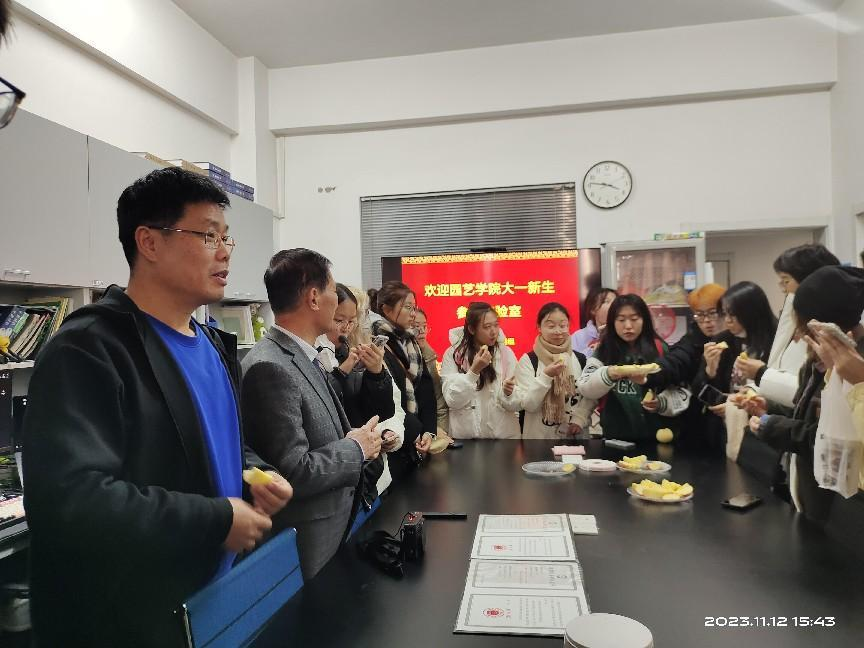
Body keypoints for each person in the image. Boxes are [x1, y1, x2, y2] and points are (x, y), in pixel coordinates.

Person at [22, 168, 292, 647]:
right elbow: (71, 501)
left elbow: (217, 442)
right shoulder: (88, 348)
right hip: (131, 622)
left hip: (213, 604)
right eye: (208, 236)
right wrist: (217, 519)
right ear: (148, 242)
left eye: (226, 237)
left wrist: (257, 475)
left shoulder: (212, 344)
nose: (225, 251)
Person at [241, 249, 382, 580]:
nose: (337, 300)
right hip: (310, 538)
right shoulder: (270, 366)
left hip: (334, 524)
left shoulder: (302, 355)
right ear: (314, 297)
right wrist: (356, 448)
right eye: (333, 290)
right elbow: (293, 470)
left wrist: (359, 439)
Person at [747, 266, 864, 522]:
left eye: (803, 325)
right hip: (809, 491)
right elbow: (806, 414)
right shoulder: (816, 361)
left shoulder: (854, 366)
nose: (799, 334)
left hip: (842, 509)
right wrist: (770, 409)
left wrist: (774, 427)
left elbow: (836, 441)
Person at [317, 283, 401, 511]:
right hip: (336, 473)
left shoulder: (349, 350)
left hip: (366, 470)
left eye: (352, 320)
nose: (346, 328)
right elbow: (325, 406)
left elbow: (382, 411)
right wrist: (343, 371)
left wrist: (376, 373)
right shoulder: (316, 355)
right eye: (339, 320)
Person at [734, 244, 838, 408]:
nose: (783, 289)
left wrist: (761, 374)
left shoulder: (829, 332)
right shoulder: (792, 319)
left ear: (811, 282)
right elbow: (780, 372)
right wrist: (754, 392)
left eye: (786, 280)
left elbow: (812, 395)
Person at [578, 294, 689, 441]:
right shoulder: (604, 350)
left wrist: (662, 403)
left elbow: (682, 391)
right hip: (616, 439)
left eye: (634, 319)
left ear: (644, 320)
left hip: (658, 438)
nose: (628, 326)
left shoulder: (659, 348)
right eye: (621, 320)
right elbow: (585, 388)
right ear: (612, 322)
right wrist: (608, 374)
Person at [694, 281, 777, 459]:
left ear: (751, 312)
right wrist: (709, 370)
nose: (727, 320)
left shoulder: (775, 342)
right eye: (724, 314)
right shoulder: (722, 341)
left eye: (733, 314)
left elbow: (779, 394)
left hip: (761, 432)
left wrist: (737, 407)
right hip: (723, 432)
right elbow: (698, 390)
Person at [645, 283, 725, 451]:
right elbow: (675, 360)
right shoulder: (692, 339)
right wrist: (650, 373)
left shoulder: (737, 339)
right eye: (700, 315)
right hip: (698, 426)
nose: (707, 321)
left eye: (712, 313)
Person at [369, 282, 435, 478]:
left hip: (416, 436)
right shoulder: (376, 342)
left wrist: (428, 431)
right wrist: (415, 431)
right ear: (386, 309)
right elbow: (387, 397)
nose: (413, 314)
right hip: (394, 439)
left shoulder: (410, 340)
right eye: (407, 307)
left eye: (414, 307)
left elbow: (426, 388)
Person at [502, 302, 595, 438]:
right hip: (539, 440)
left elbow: (589, 395)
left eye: (563, 325)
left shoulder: (580, 359)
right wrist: (546, 376)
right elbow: (528, 404)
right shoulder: (529, 361)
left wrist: (579, 419)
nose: (558, 331)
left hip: (575, 438)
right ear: (539, 327)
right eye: (551, 326)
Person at [440, 302, 520, 438]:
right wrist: (473, 372)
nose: (494, 331)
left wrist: (508, 393)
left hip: (503, 437)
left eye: (496, 325)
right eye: (487, 327)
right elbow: (453, 400)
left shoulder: (505, 353)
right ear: (472, 329)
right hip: (466, 439)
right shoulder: (454, 354)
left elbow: (518, 403)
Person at [414, 307, 450, 435]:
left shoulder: (429, 356)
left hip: (430, 431)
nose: (422, 331)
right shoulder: (399, 357)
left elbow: (439, 401)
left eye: (424, 326)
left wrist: (439, 431)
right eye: (416, 326)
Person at [571, 286, 617, 357]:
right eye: (607, 301)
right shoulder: (578, 337)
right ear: (593, 309)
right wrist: (594, 350)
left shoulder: (622, 333)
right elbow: (572, 361)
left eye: (615, 301)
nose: (613, 305)